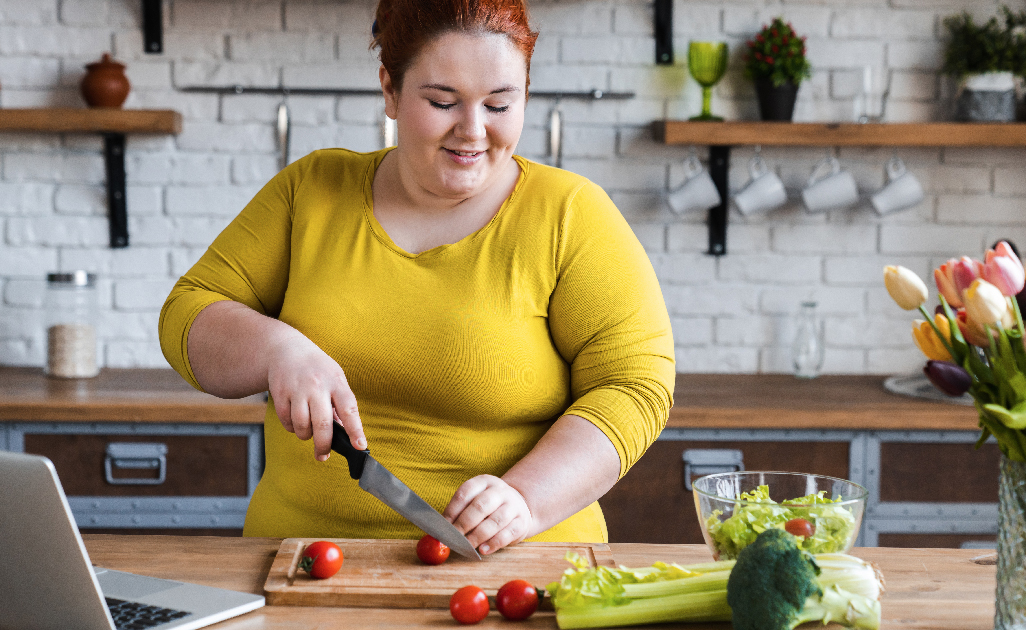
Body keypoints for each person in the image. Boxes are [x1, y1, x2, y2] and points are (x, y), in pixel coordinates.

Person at [159, 0, 674, 555]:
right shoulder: (310, 191)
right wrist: (276, 348)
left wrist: (524, 499)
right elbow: (187, 313)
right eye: (442, 102)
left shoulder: (572, 215)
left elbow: (634, 386)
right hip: (296, 564)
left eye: (501, 104)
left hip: (515, 570)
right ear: (390, 90)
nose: (473, 131)